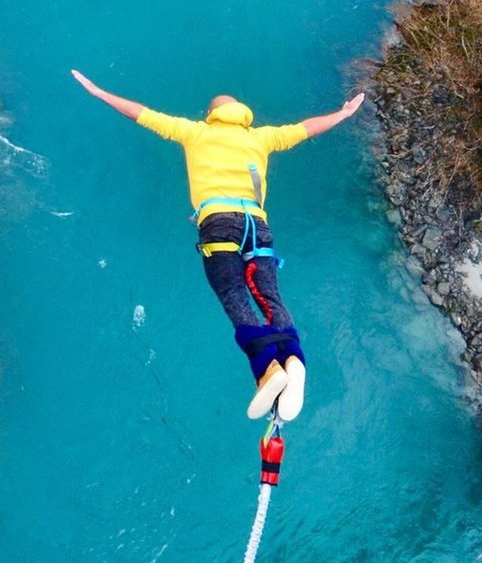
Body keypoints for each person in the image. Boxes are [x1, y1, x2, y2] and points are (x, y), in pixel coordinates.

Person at [72, 69, 365, 421]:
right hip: (256, 227)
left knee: (233, 294)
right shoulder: (263, 138)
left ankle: (267, 369)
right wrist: (343, 113)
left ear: (210, 116)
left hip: (218, 225)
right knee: (269, 297)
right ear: (244, 118)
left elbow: (142, 114)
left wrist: (100, 93)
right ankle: (293, 358)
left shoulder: (194, 132)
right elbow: (306, 128)